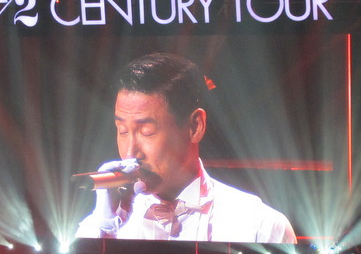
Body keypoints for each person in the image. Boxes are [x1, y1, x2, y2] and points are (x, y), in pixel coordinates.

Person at [75, 52, 297, 242]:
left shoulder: (260, 227)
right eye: (122, 131)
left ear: (195, 126)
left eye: (147, 132)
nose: (131, 152)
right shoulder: (97, 230)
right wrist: (106, 232)